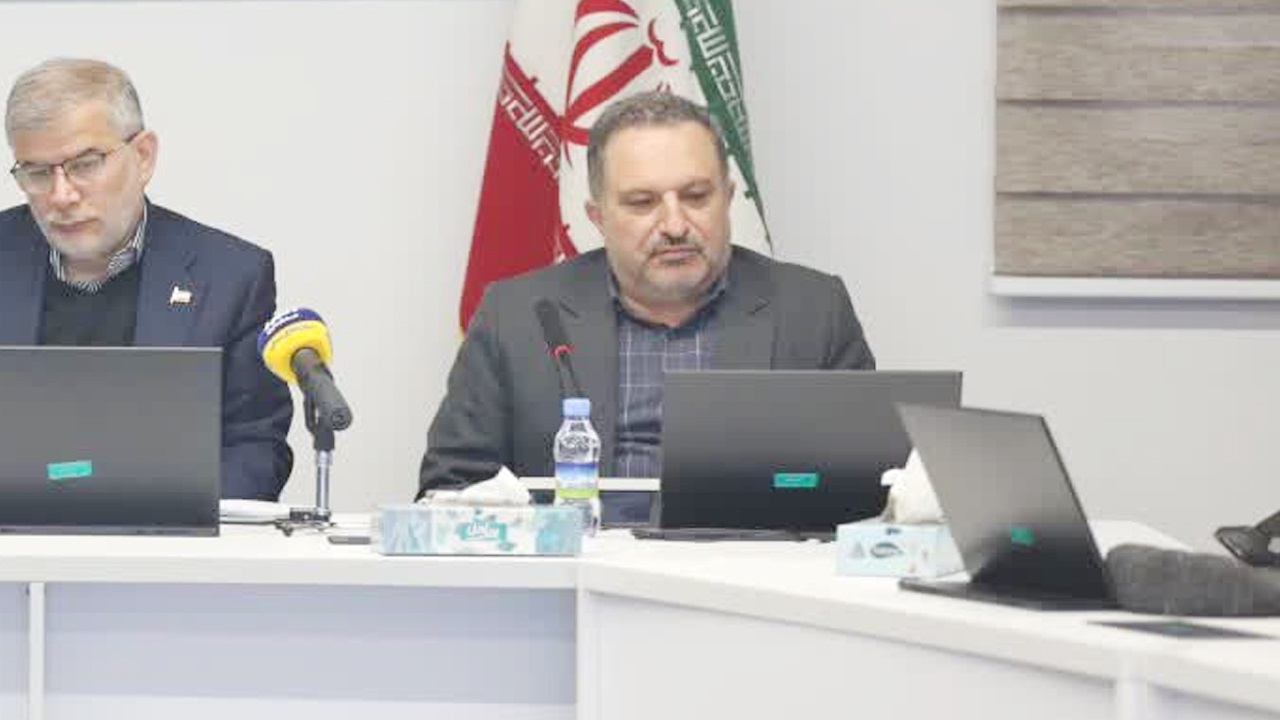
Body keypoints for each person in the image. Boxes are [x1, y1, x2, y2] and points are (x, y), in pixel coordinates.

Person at [419, 90, 874, 523]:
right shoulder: (516, 316)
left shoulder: (813, 310)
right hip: (579, 569)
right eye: (643, 203)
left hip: (751, 569)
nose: (675, 225)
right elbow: (451, 487)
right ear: (598, 217)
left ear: (729, 198)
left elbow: (867, 491)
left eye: (696, 196)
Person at [0, 58, 292, 500]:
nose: (62, 195)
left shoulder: (230, 278)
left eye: (85, 163)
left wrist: (173, 520)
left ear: (142, 156)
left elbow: (254, 448)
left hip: (163, 536)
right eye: (38, 173)